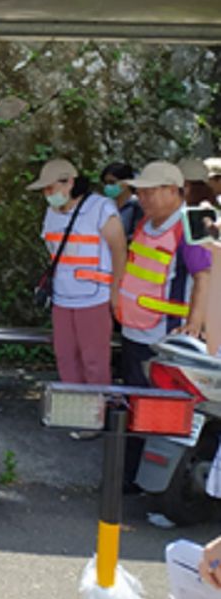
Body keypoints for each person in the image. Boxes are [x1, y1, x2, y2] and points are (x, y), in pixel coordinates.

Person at [117, 160, 212, 489]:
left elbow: (205, 277)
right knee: (133, 405)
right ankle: (129, 478)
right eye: (140, 191)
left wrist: (195, 325)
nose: (142, 197)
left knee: (155, 411)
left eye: (149, 191)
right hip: (135, 330)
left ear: (174, 191)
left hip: (163, 338)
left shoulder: (195, 222)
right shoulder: (147, 222)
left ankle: (144, 484)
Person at [27, 159, 126, 397]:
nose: (47, 194)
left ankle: (94, 415)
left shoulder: (101, 208)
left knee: (94, 361)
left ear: (69, 182)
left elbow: (120, 250)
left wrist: (115, 292)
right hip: (62, 297)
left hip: (94, 298)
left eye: (51, 188)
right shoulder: (51, 212)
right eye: (44, 189)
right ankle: (75, 411)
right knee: (66, 358)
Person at [100, 161, 143, 242]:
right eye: (105, 183)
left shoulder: (138, 207)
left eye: (112, 182)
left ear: (126, 182)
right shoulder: (104, 206)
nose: (108, 187)